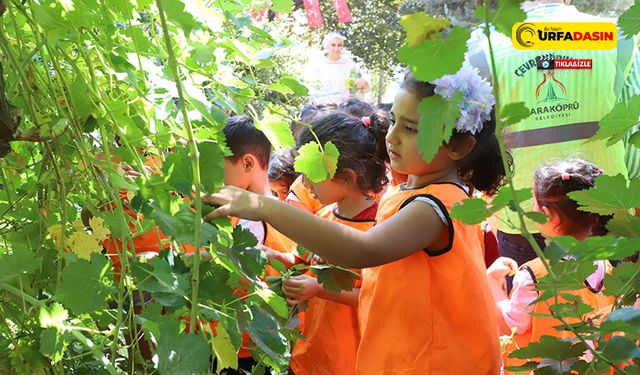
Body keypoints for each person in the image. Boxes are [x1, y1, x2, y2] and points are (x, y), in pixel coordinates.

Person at [203, 67, 504, 374]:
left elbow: (363, 250)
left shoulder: (438, 204)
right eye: (395, 121)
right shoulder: (405, 193)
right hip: (404, 354)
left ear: (458, 147)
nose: (393, 137)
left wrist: (265, 207)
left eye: (411, 129)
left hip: (435, 362)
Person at [466, 0, 640, 290]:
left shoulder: (482, 49)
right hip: (605, 209)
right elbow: (632, 124)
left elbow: (475, 140)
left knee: (531, 317)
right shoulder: (615, 36)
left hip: (524, 213)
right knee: (610, 315)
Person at [280, 112, 388, 375]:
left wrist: (318, 289)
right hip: (311, 354)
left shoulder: (378, 232)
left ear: (348, 178)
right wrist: (277, 256)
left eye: (312, 174)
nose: (303, 183)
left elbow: (374, 297)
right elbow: (307, 260)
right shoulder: (326, 215)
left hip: (346, 362)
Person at [486, 158, 615, 371]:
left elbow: (511, 325)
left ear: (549, 216)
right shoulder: (604, 264)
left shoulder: (535, 275)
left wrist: (491, 283)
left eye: (534, 202)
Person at [220, 115, 297, 370]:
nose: (218, 179)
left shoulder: (256, 220)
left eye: (221, 169)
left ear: (247, 163)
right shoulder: (282, 212)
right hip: (251, 341)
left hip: (243, 346)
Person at [305, 32, 370, 104]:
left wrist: (364, 84)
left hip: (345, 109)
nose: (336, 48)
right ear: (327, 46)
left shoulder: (351, 65)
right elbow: (310, 89)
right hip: (322, 108)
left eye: (339, 45)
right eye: (333, 45)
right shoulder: (317, 65)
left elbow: (362, 88)